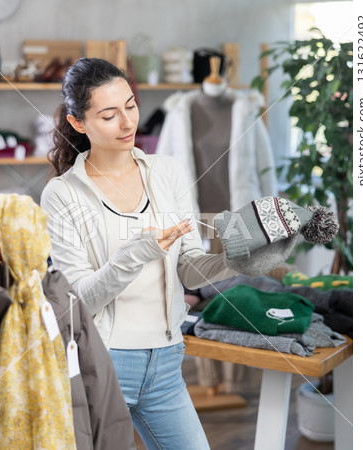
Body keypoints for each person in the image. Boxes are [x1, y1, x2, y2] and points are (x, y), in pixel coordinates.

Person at [40, 57, 238, 449]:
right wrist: (135, 253)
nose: (128, 123)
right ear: (79, 123)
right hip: (103, 365)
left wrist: (236, 259)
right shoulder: (62, 195)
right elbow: (79, 298)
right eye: (110, 115)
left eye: (130, 106)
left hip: (166, 360)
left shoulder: (167, 172)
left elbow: (189, 268)